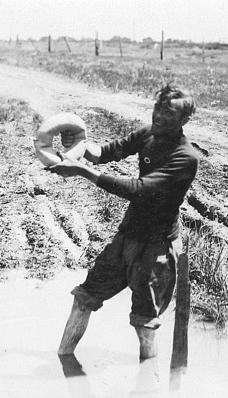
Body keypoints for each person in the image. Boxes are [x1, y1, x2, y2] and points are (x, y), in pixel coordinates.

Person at [47, 83, 198, 362]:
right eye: (157, 108)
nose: (159, 116)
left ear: (184, 120)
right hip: (126, 237)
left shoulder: (185, 158)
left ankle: (146, 387)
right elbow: (105, 152)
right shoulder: (148, 135)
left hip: (157, 249)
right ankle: (63, 359)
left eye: (168, 112)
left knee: (144, 323)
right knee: (84, 298)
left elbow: (138, 189)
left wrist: (82, 171)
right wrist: (77, 146)